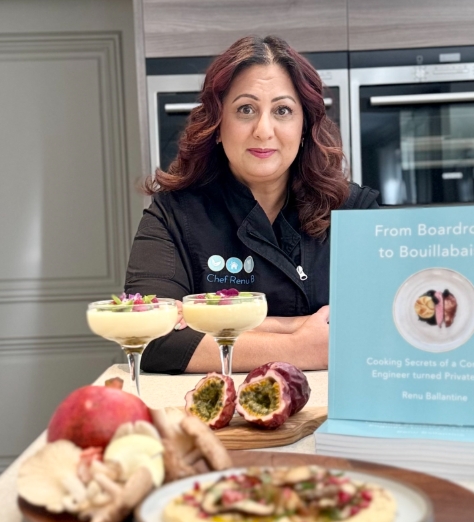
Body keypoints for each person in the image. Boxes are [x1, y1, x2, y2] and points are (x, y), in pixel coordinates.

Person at [125, 35, 379, 374]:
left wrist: (213, 324)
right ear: (217, 124)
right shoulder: (171, 216)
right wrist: (299, 344)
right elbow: (150, 337)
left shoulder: (354, 212)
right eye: (246, 109)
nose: (263, 130)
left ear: (305, 126)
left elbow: (384, 325)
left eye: (282, 110)